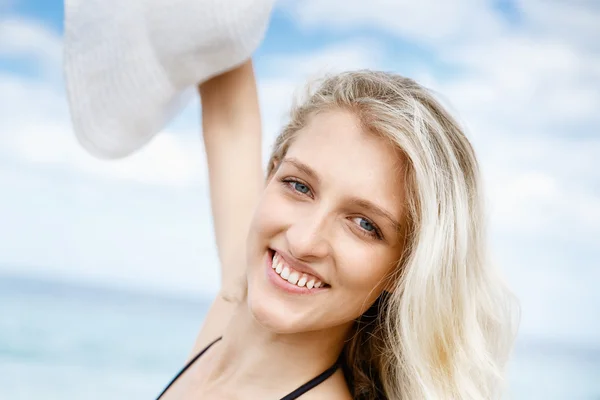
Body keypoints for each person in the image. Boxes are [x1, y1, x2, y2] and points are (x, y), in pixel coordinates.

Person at [154, 61, 519, 400]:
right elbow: (229, 119)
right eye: (299, 185)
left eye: (364, 225)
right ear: (271, 175)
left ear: (404, 269)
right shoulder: (237, 295)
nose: (302, 241)